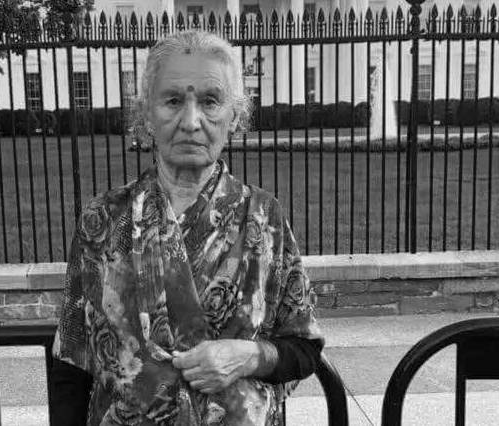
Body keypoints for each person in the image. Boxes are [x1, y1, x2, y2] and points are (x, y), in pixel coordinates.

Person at [51, 30, 325, 426]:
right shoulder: (104, 220)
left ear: (234, 116)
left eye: (210, 101)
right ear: (147, 114)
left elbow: (304, 348)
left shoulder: (264, 218)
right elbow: (71, 362)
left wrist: (249, 357)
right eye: (173, 100)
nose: (191, 121)